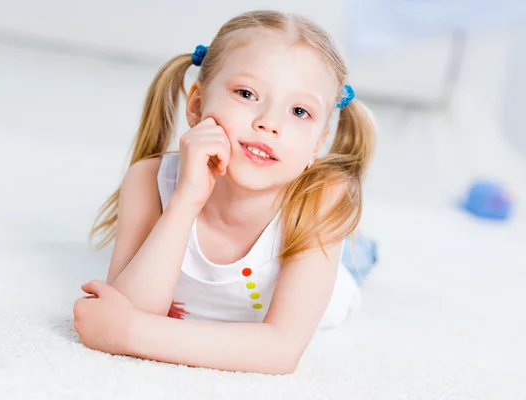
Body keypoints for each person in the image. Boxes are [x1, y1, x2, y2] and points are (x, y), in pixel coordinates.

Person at [73, 10, 376, 375]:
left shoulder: (322, 202)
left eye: (299, 111)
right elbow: (125, 307)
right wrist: (186, 200)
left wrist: (134, 332)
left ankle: (362, 249)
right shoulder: (150, 180)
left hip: (327, 278)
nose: (269, 123)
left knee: (356, 261)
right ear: (197, 104)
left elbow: (281, 350)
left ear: (317, 145)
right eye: (247, 93)